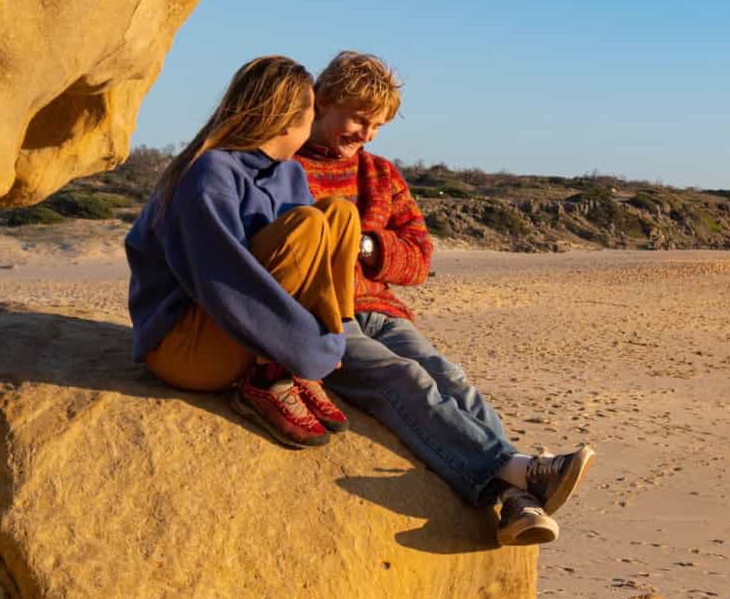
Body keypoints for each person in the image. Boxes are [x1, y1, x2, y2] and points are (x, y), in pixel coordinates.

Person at [297, 51, 594, 547]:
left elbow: (418, 258)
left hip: (382, 310)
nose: (366, 134)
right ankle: (518, 480)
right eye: (359, 119)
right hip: (324, 311)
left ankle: (513, 498)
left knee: (450, 376)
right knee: (402, 377)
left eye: (377, 125)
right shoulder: (288, 167)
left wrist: (365, 245)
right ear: (323, 100)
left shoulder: (381, 175)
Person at [124, 56, 359, 449]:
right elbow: (226, 282)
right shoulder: (209, 172)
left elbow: (311, 274)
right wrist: (311, 348)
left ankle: (292, 364)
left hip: (239, 334)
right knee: (308, 223)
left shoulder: (289, 173)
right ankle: (270, 379)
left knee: (339, 213)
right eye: (313, 112)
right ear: (287, 121)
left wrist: (329, 338)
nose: (316, 123)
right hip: (184, 346)